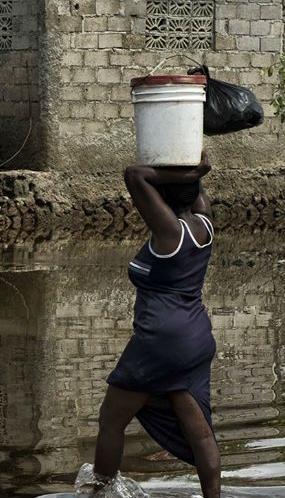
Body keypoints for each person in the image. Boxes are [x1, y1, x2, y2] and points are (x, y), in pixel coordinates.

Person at [92, 161, 220, 497]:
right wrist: (193, 163)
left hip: (160, 341)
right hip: (195, 338)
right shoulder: (204, 223)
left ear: (159, 198)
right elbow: (195, 188)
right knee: (201, 434)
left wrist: (192, 172)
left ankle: (99, 492)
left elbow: (134, 175)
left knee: (111, 420)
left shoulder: (171, 232)